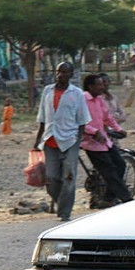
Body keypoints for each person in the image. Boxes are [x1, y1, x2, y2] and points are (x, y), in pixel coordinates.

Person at [34, 62, 91, 222]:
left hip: (70, 140)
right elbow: (42, 119)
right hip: (49, 140)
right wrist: (37, 141)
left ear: (71, 75)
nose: (61, 75)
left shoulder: (77, 94)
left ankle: (65, 212)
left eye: (65, 72)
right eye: (59, 71)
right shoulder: (47, 91)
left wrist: (77, 141)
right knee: (51, 178)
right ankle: (62, 202)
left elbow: (82, 121)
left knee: (69, 176)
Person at [81, 74, 133, 208]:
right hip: (91, 142)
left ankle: (109, 197)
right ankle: (127, 199)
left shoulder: (99, 100)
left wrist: (118, 129)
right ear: (90, 86)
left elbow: (107, 117)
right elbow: (79, 121)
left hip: (105, 141)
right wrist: (94, 131)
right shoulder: (82, 100)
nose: (102, 87)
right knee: (109, 171)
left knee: (120, 164)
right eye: (99, 84)